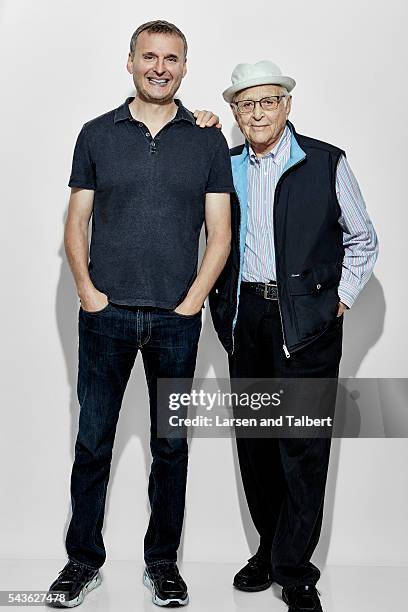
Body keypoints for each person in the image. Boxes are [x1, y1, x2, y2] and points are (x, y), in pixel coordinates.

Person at [48, 20, 233, 608]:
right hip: (105, 315)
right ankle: (81, 562)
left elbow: (220, 234)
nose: (160, 67)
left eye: (172, 58)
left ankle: (163, 565)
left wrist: (193, 300)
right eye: (149, 56)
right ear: (129, 62)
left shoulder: (206, 139)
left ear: (184, 66)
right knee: (92, 442)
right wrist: (86, 289)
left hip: (177, 322)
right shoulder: (97, 134)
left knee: (171, 447)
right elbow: (76, 220)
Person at [209, 60, 379, 612]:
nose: (257, 113)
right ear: (235, 112)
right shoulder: (224, 165)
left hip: (307, 326)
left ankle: (296, 569)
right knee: (257, 447)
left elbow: (363, 239)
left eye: (267, 102)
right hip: (247, 322)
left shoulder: (326, 161)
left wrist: (339, 301)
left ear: (286, 105)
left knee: (301, 449)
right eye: (245, 104)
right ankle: (269, 550)